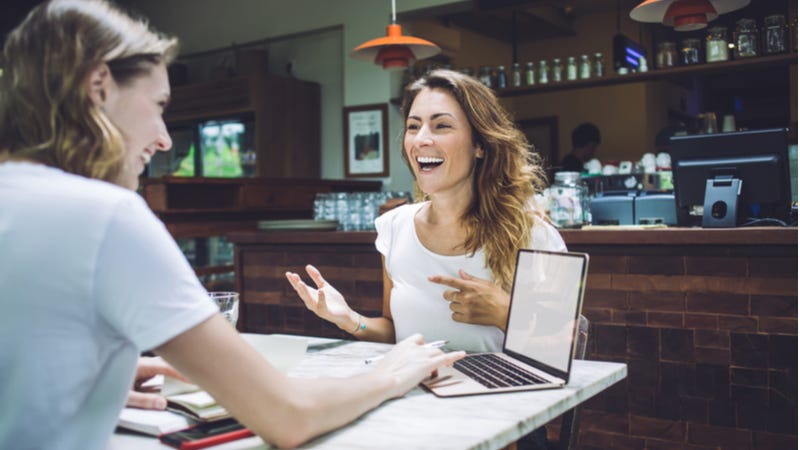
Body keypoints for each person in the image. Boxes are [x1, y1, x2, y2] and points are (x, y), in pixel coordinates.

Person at [0, 2, 463, 449]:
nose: (163, 139)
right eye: (159, 104)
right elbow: (288, 415)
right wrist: (389, 374)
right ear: (99, 86)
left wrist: (74, 379)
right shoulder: (106, 215)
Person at [286, 69, 566, 449]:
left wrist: (506, 312)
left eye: (441, 125)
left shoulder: (534, 234)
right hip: (411, 415)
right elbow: (394, 334)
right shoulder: (393, 228)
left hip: (501, 421)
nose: (422, 139)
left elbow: (563, 352)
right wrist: (348, 319)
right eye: (414, 126)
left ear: (480, 144)